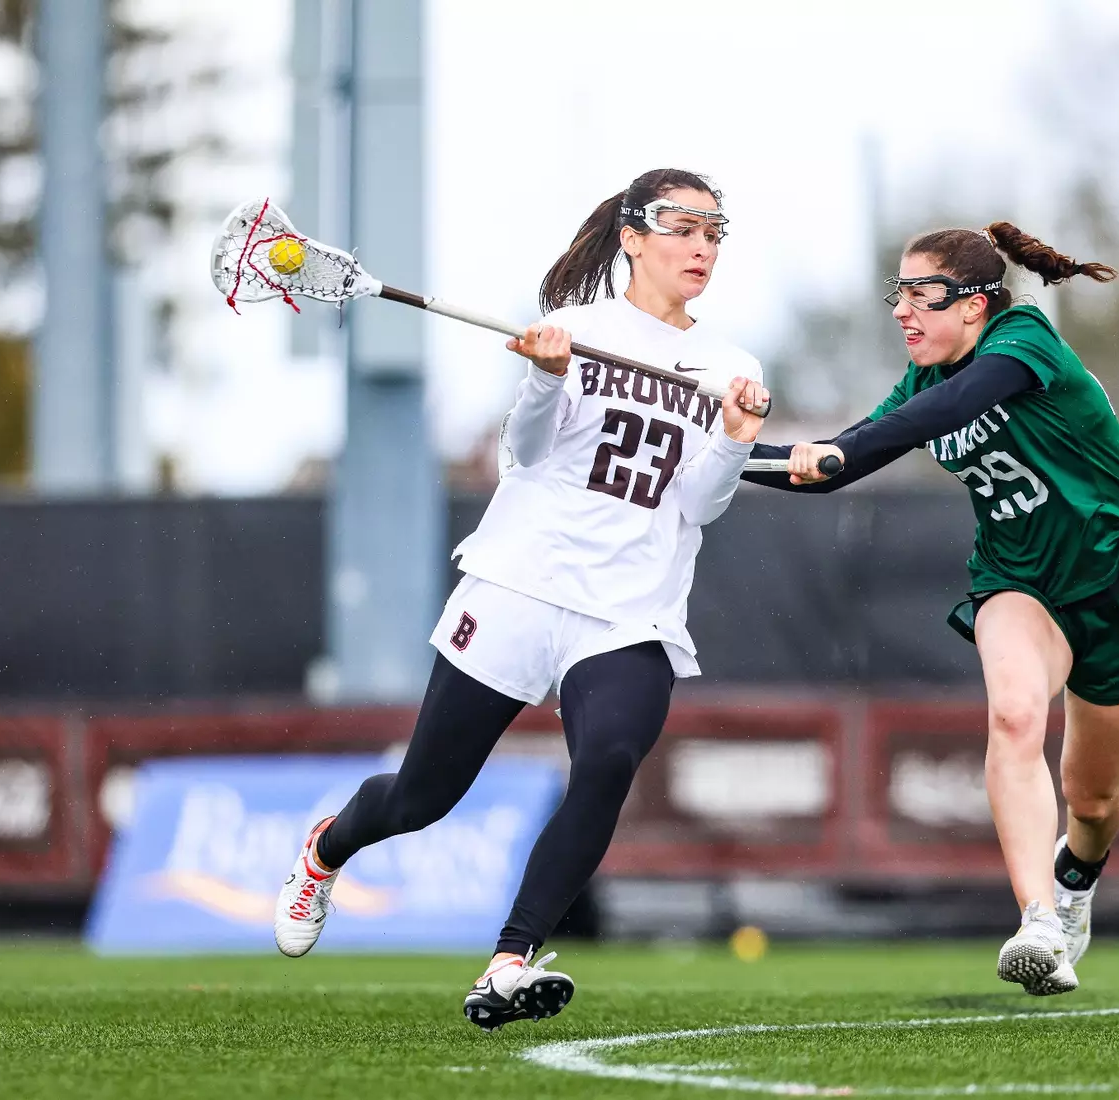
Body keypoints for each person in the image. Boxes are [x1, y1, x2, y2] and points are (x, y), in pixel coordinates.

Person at [273, 168, 769, 1030]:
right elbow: (525, 455)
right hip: (519, 585)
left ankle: (512, 958)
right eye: (683, 227)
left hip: (629, 610)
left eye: (714, 230)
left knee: (608, 761)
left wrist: (731, 442)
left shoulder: (729, 367)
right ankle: (325, 849)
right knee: (423, 797)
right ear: (634, 237)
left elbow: (697, 505)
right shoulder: (573, 331)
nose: (701, 246)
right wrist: (544, 378)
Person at [744, 223, 1119, 996]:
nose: (902, 312)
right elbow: (838, 459)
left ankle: (1076, 880)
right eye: (900, 296)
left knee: (1092, 799)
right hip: (1017, 583)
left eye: (922, 296)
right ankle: (1039, 922)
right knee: (1016, 716)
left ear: (978, 303)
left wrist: (842, 453)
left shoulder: (1023, 340)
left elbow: (946, 409)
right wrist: (722, 459)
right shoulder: (923, 382)